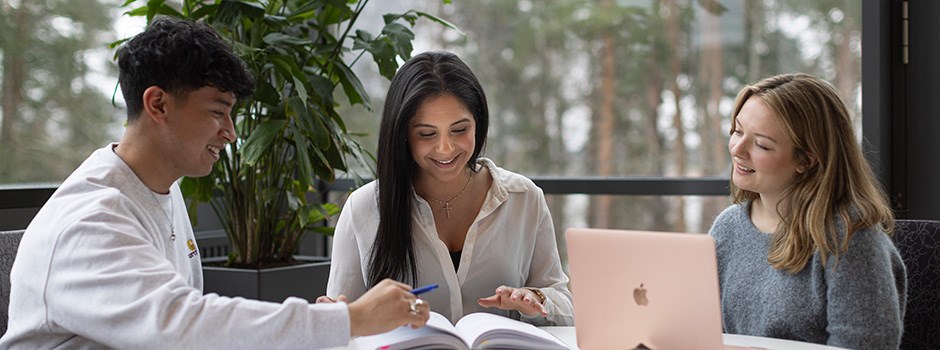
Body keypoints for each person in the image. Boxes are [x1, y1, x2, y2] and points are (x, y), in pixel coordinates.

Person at [0, 17, 429, 349]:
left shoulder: (158, 188)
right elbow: (181, 326)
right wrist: (349, 320)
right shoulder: (91, 219)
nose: (231, 132)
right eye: (216, 112)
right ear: (158, 104)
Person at [321, 51, 574, 326]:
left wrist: (534, 298)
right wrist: (333, 316)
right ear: (403, 134)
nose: (446, 148)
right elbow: (343, 323)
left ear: (478, 122)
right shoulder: (364, 208)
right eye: (427, 134)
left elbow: (562, 307)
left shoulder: (524, 198)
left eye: (459, 129)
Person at [709, 73, 906, 348]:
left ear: (807, 160)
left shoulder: (851, 238)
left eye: (762, 144)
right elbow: (702, 331)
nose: (737, 150)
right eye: (738, 131)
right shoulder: (727, 228)